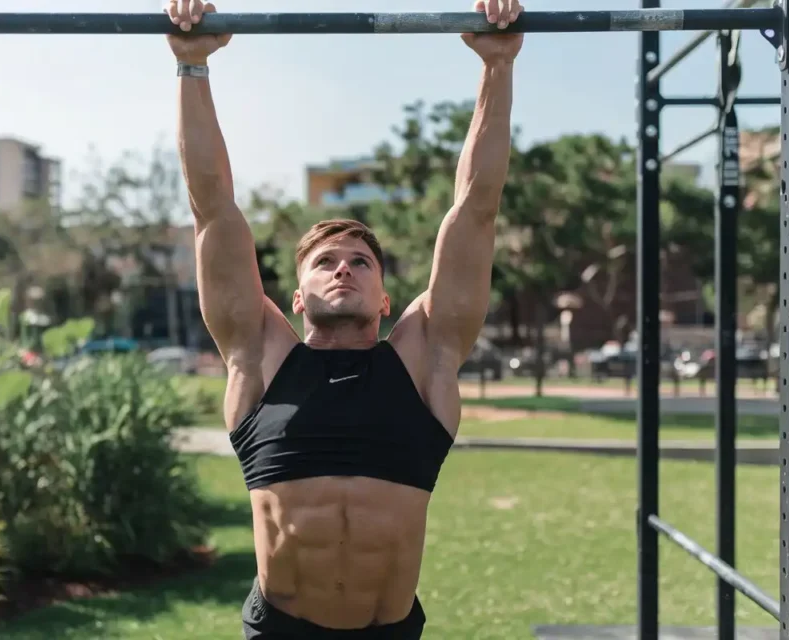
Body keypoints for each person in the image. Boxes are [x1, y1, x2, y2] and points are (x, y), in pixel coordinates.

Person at [166, 1, 525, 637]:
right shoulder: (259, 358)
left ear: (387, 300)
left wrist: (497, 68)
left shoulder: (425, 361)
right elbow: (212, 209)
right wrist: (192, 68)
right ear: (295, 298)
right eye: (325, 262)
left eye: (361, 261)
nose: (343, 269)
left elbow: (476, 211)